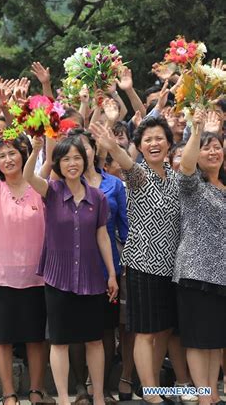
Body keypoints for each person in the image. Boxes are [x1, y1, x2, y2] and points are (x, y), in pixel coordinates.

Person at [23, 135, 118, 405]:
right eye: (66, 159)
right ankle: (63, 397)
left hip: (91, 276)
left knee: (94, 340)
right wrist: (36, 150)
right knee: (60, 341)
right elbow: (29, 176)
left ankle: (98, 395)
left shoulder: (97, 196)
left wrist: (111, 272)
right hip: (57, 277)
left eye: (77, 157)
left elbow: (102, 235)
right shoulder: (51, 190)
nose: (72, 163)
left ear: (85, 160)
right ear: (59, 164)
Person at [91, 117, 179, 404]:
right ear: (139, 146)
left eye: (159, 138)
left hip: (172, 267)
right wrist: (114, 146)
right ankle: (153, 395)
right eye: (148, 140)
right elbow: (124, 162)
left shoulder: (177, 177)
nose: (154, 144)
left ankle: (149, 384)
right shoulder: (138, 175)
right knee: (144, 331)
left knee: (164, 329)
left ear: (168, 142)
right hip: (143, 265)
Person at [0, 133, 52, 405]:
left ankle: (36, 390)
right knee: (3, 339)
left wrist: (43, 143)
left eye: (13, 153)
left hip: (37, 277)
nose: (8, 159)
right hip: (1, 277)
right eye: (2, 155)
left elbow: (50, 160)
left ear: (24, 155)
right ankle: (9, 394)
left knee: (35, 338)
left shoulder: (37, 186)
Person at [68, 129, 128, 404]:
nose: (80, 153)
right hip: (74, 267)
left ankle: (101, 389)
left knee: (106, 329)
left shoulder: (113, 184)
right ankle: (81, 389)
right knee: (77, 329)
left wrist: (124, 264)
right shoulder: (65, 184)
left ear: (93, 150)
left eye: (85, 147)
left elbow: (124, 227)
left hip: (107, 268)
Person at [174, 109, 226, 405]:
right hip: (195, 272)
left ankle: (214, 395)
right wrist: (196, 130)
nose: (213, 151)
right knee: (197, 340)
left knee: (214, 340)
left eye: (217, 146)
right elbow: (187, 164)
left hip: (222, 275)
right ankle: (205, 397)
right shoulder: (192, 186)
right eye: (207, 147)